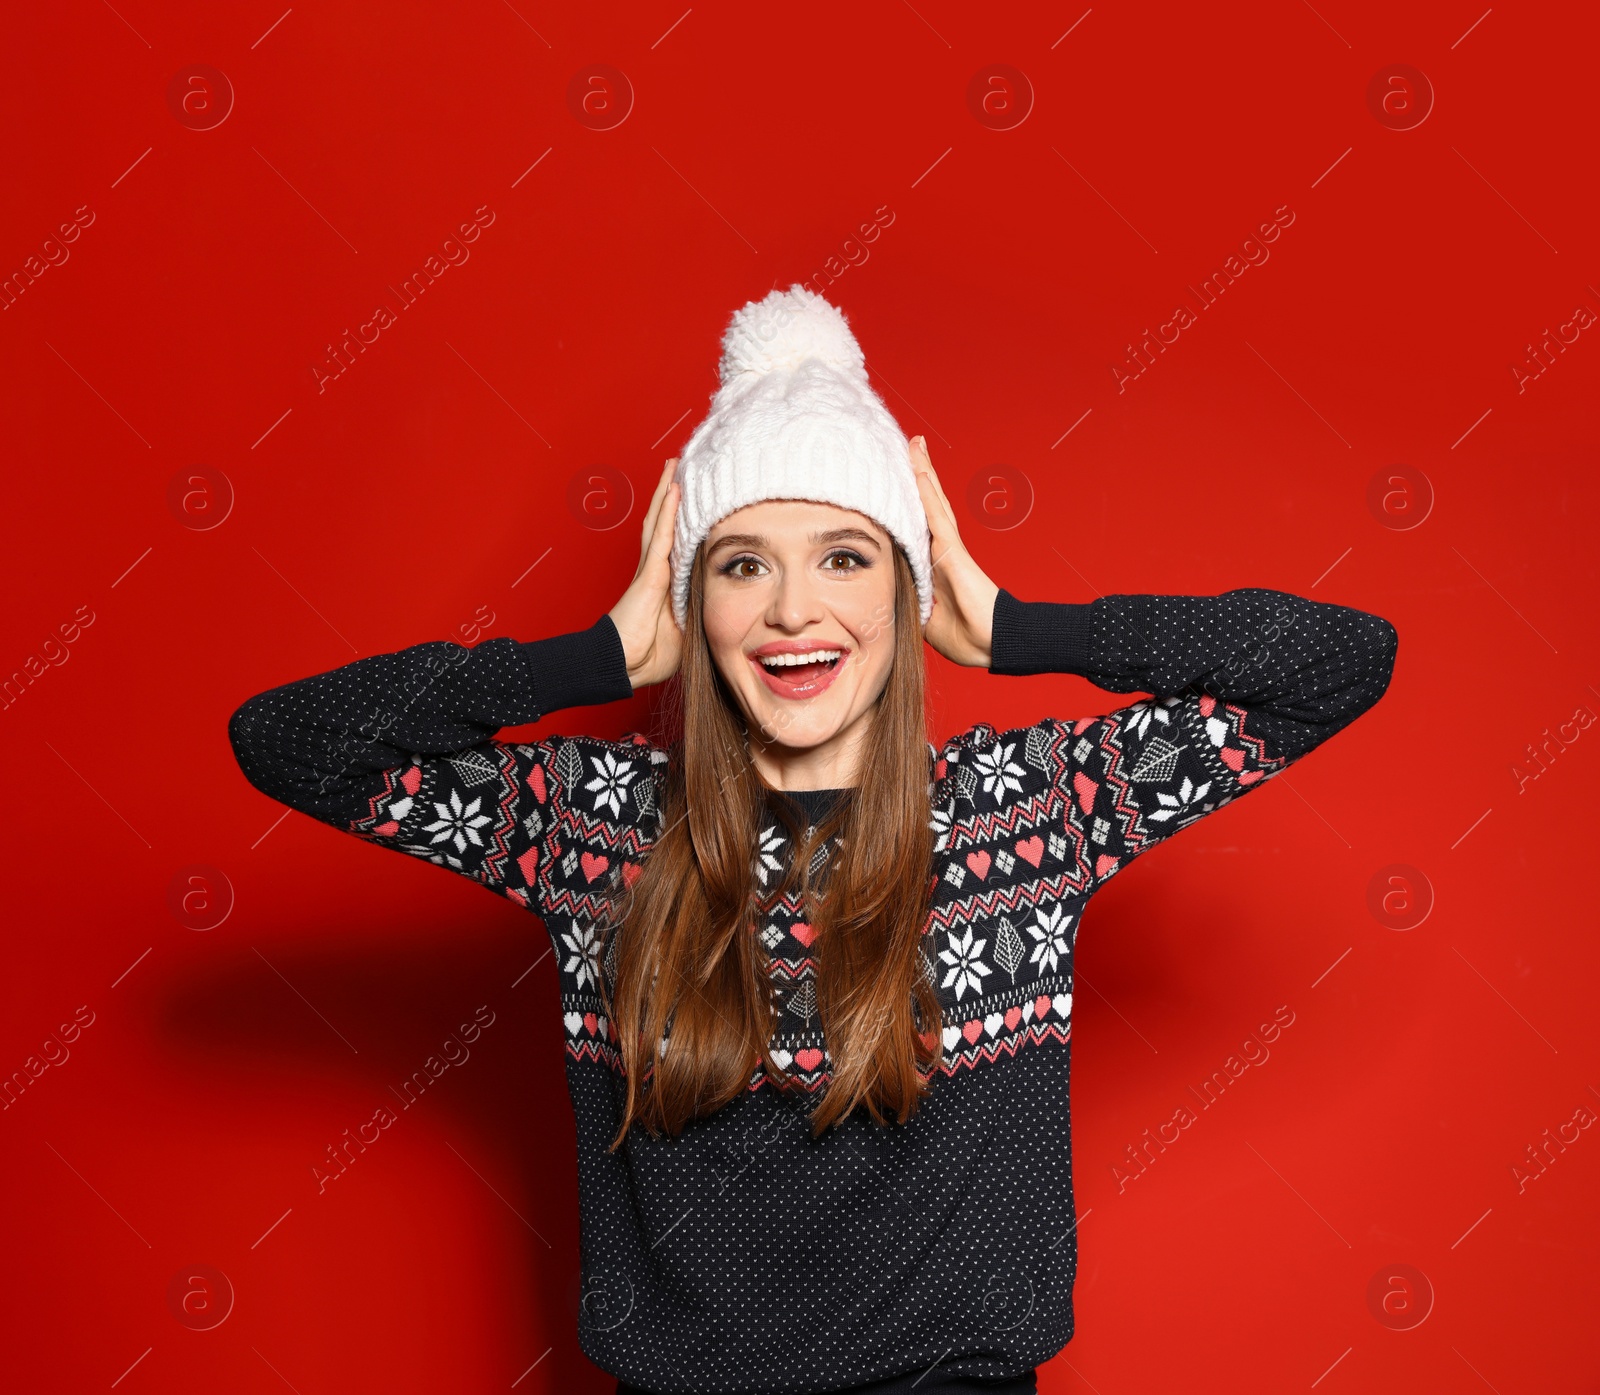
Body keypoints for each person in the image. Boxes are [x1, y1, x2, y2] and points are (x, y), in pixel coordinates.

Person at [227, 285, 1398, 1395]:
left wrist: (1007, 626)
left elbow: (1338, 664)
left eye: (844, 556)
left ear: (904, 584)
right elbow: (285, 740)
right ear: (699, 603)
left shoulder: (1030, 809)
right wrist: (605, 655)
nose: (794, 611)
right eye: (743, 566)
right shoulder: (589, 825)